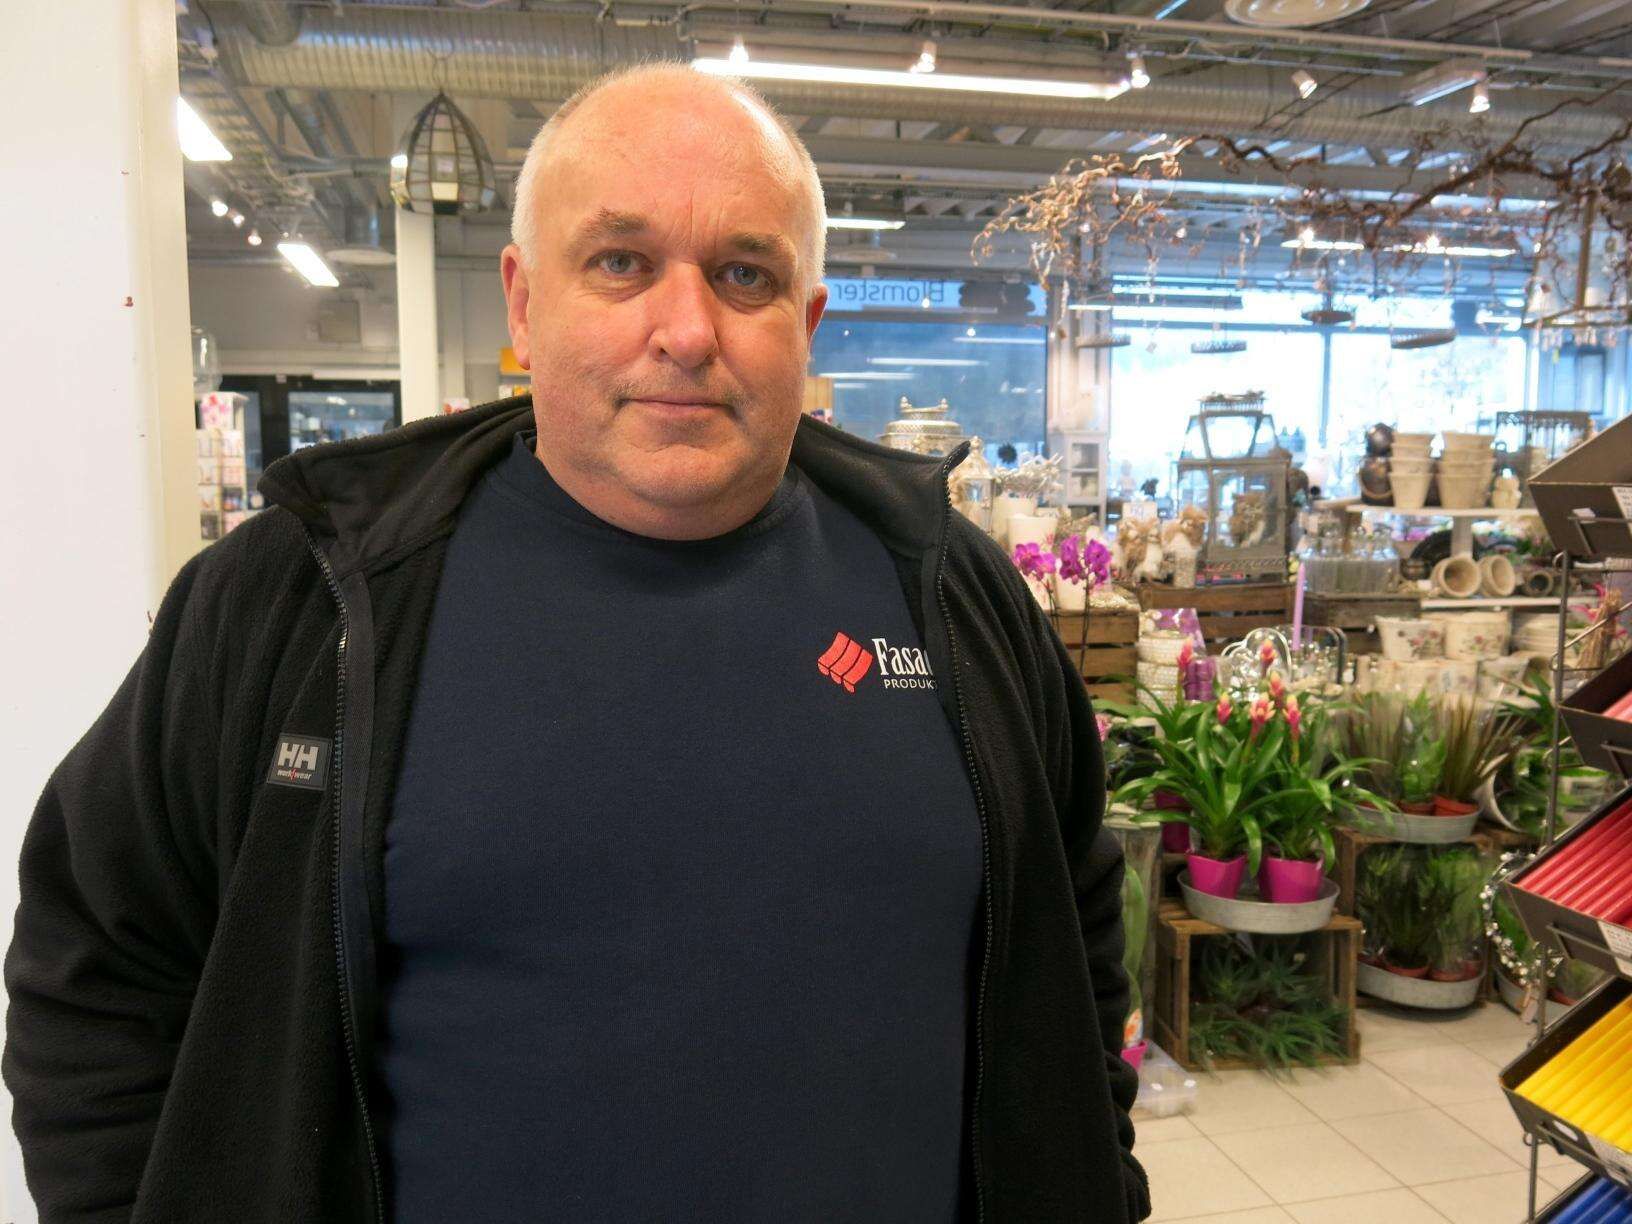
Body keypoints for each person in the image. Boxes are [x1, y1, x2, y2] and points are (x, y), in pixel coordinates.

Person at [5, 64, 1148, 1223]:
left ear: (804, 325)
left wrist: (1096, 1172)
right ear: (522, 300)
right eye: (621, 262)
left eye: (745, 276)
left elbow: (1076, 931)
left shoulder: (951, 595)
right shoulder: (301, 601)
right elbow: (98, 962)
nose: (687, 331)